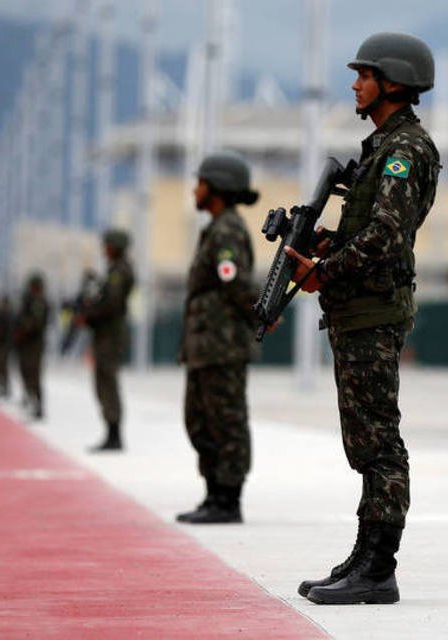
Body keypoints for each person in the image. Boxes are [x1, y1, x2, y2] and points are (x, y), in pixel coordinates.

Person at [284, 32, 441, 604]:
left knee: (378, 444)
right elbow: (367, 230)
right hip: (358, 310)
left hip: (373, 310)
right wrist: (325, 241)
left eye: (364, 74)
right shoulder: (382, 148)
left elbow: (386, 236)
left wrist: (324, 271)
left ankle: (378, 568)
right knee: (364, 440)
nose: (354, 83)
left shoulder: (404, 151)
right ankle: (365, 555)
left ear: (392, 81)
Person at [175, 151, 260, 524]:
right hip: (206, 346)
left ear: (217, 188)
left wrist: (258, 313)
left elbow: (234, 280)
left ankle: (228, 498)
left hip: (222, 346)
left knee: (226, 421)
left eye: (201, 183)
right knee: (199, 421)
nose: (195, 189)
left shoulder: (227, 230)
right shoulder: (216, 227)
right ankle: (213, 494)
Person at [76, 229, 135, 452]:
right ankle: (111, 432)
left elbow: (111, 303)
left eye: (108, 244)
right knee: (103, 381)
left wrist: (89, 315)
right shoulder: (114, 271)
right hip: (105, 334)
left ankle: (114, 434)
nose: (104, 248)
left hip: (110, 335)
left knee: (107, 381)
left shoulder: (119, 272)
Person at [14, 272, 50, 420]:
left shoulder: (39, 302)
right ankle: (31, 400)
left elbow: (36, 323)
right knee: (26, 371)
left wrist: (23, 329)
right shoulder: (29, 301)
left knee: (34, 373)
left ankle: (38, 404)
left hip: (34, 344)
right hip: (26, 344)